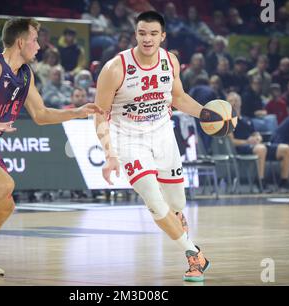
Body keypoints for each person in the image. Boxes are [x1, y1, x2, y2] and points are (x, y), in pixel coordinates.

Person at [0, 18, 102, 276]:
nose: (39, 46)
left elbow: (41, 114)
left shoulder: (25, 74)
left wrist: (77, 112)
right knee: (4, 184)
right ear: (21, 42)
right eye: (35, 40)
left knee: (6, 204)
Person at [94, 11, 210, 282]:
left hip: (163, 137)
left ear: (163, 36)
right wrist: (109, 153)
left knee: (176, 204)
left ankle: (184, 235)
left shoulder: (171, 62)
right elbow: (100, 114)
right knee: (155, 204)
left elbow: (178, 98)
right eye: (142, 33)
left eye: (153, 34)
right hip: (129, 140)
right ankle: (195, 255)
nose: (147, 39)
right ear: (135, 34)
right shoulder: (115, 68)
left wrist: (207, 114)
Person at [228, 92, 289, 191]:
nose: (234, 103)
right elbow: (232, 141)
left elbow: (256, 133)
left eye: (236, 100)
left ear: (240, 103)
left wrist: (258, 138)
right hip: (242, 148)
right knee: (261, 149)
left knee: (286, 149)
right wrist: (247, 142)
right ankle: (260, 181)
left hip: (256, 145)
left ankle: (283, 182)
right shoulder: (227, 121)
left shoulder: (247, 119)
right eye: (231, 101)